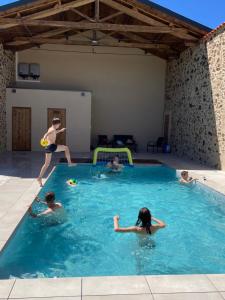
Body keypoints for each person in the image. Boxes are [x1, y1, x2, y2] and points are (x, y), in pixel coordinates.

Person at [37, 118, 75, 186]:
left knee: (46, 164)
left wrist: (60, 130)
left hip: (47, 147)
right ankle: (69, 163)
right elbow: (46, 134)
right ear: (57, 124)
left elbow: (54, 132)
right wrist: (44, 138)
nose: (59, 126)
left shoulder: (51, 128)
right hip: (52, 146)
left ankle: (39, 178)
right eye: (59, 125)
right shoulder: (52, 129)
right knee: (66, 148)